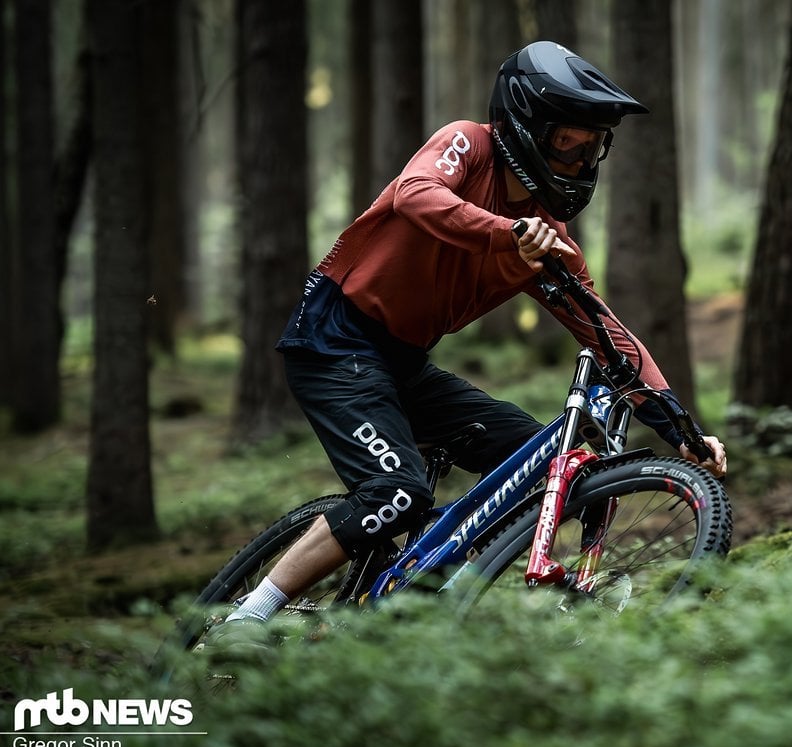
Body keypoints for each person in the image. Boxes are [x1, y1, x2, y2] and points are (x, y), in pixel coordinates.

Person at [211, 41, 728, 638]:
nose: (581, 160)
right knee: (396, 493)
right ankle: (247, 619)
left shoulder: (548, 240)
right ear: (527, 124)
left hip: (402, 362)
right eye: (568, 141)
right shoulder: (469, 144)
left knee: (542, 464)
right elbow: (414, 194)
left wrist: (680, 429)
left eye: (593, 147)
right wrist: (507, 233)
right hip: (334, 341)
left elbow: (610, 337)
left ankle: (407, 606)